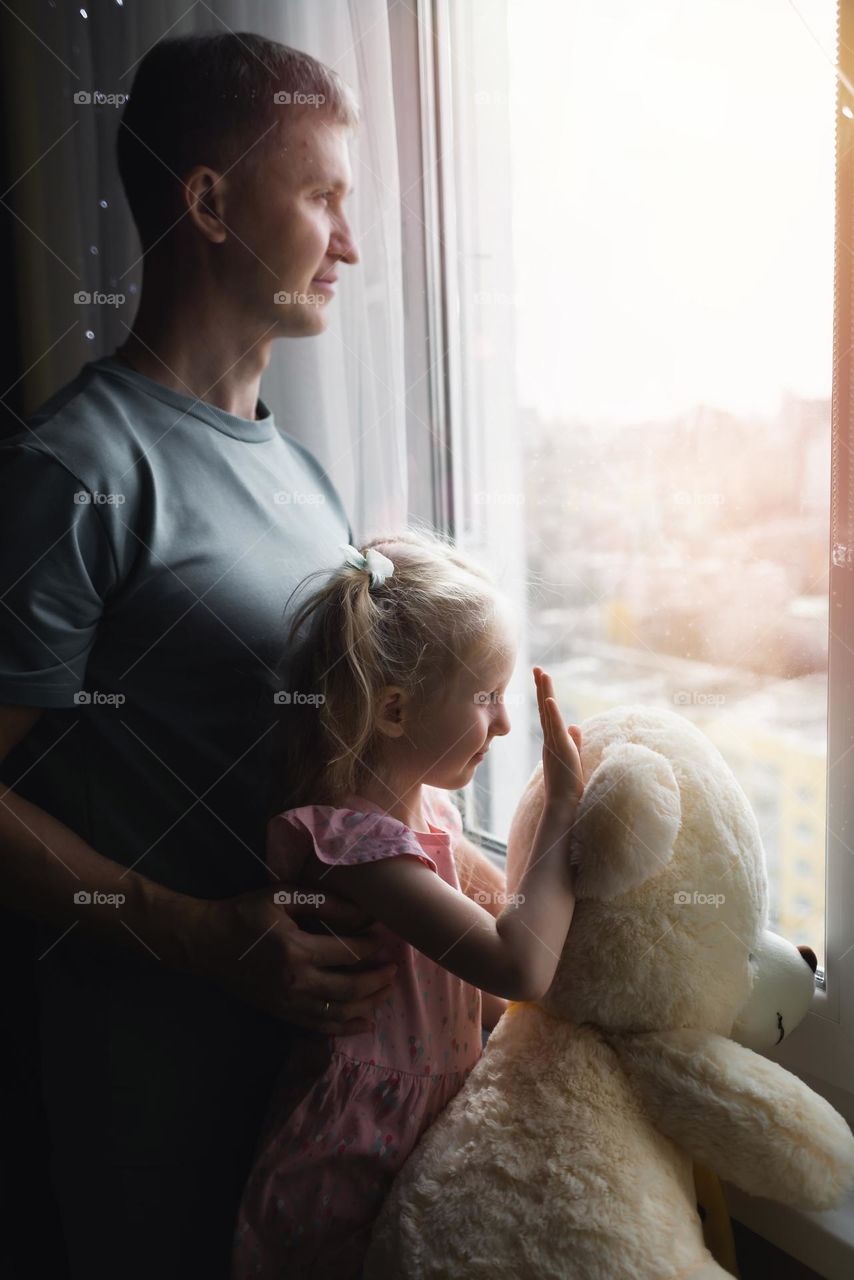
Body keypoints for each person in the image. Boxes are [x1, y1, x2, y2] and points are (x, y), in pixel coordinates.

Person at [0, 32, 511, 1280]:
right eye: (323, 195)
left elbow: (353, 764)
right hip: (158, 1108)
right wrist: (191, 931)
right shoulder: (75, 474)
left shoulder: (303, 477)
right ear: (211, 202)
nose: (350, 242)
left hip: (321, 1107)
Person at [231, 529, 585, 1279]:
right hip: (354, 1155)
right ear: (395, 711)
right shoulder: (359, 850)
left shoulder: (431, 819)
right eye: (486, 698)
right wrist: (558, 813)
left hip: (426, 1125)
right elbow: (516, 965)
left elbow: (502, 939)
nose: (506, 725)